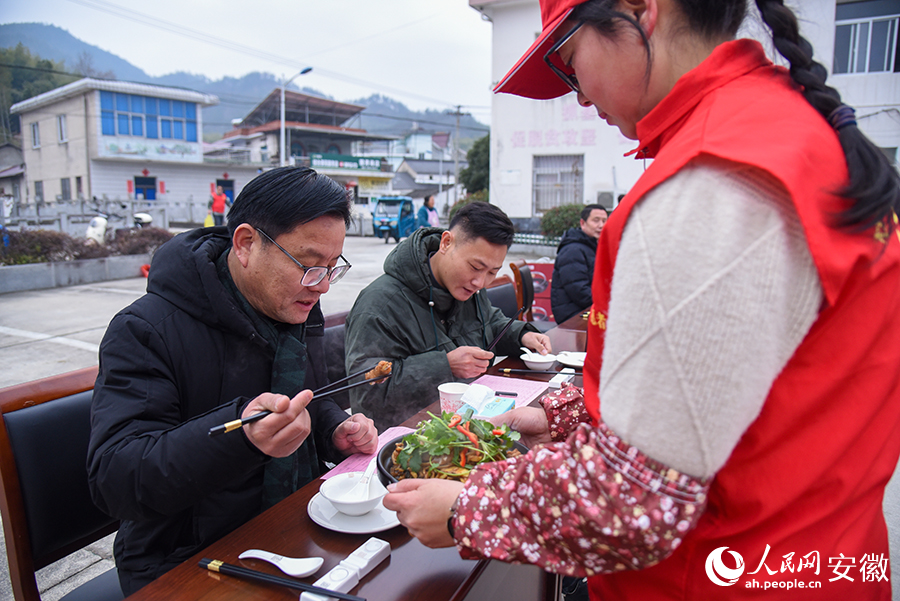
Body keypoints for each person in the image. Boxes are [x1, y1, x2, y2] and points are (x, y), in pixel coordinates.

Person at [383, 1, 900, 599]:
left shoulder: (710, 180)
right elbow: (734, 383)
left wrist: (466, 508)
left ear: (639, 10)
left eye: (570, 61)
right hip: (818, 552)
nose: (577, 96)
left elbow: (630, 498)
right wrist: (565, 414)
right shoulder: (791, 136)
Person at [87, 167, 378, 595]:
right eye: (309, 265)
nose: (321, 287)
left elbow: (306, 400)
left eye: (332, 269)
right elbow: (115, 480)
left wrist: (333, 425)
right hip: (188, 557)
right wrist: (241, 437)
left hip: (290, 524)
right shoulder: (147, 329)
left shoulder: (296, 306)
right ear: (245, 244)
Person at [344, 201, 552, 430]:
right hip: (412, 438)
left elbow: (490, 322)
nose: (480, 282)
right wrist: (444, 365)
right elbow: (368, 392)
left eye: (492, 272)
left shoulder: (468, 289)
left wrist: (523, 336)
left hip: (471, 424)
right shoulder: (380, 305)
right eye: (475, 267)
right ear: (446, 242)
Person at [550, 204, 607, 323]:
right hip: (572, 314)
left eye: (604, 221)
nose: (601, 225)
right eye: (596, 221)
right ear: (583, 223)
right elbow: (579, 291)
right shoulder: (573, 250)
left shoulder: (591, 246)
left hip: (585, 308)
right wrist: (606, 303)